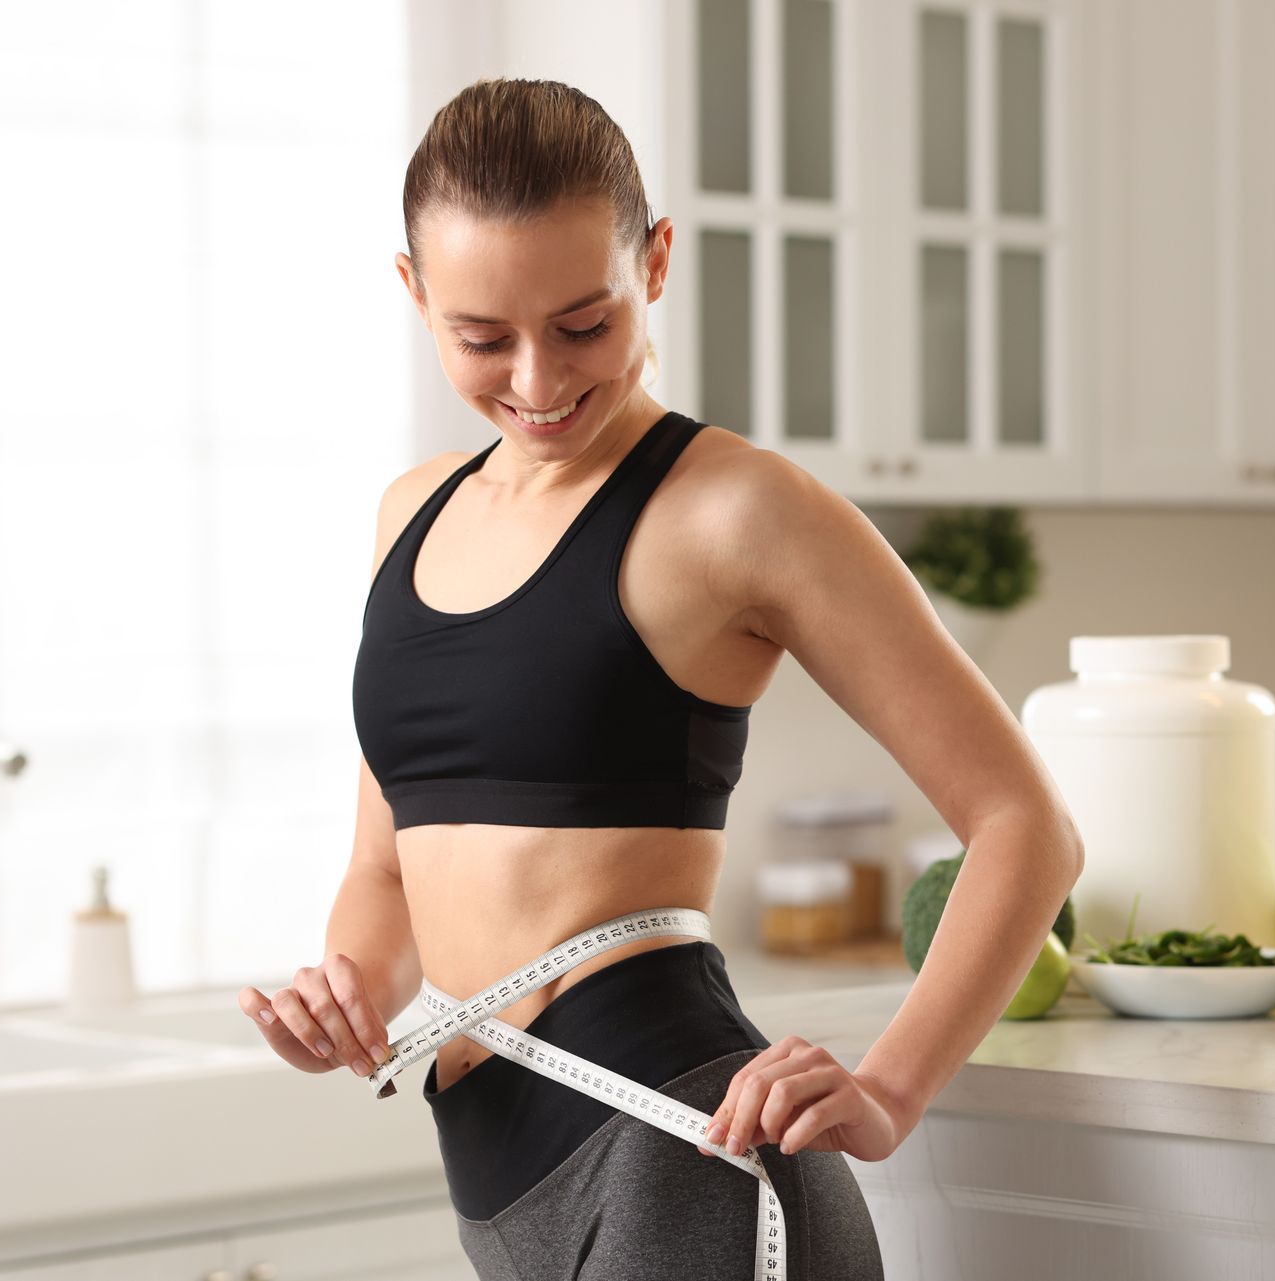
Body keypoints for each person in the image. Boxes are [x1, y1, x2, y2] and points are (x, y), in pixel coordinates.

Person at [235, 77, 1083, 1280]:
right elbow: (386, 866)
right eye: (483, 338)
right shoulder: (408, 514)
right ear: (414, 294)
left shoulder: (740, 511)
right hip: (492, 1169)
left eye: (585, 324)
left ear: (658, 263)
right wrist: (349, 996)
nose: (536, 381)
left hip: (681, 1151)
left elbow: (1025, 825)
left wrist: (892, 1088)